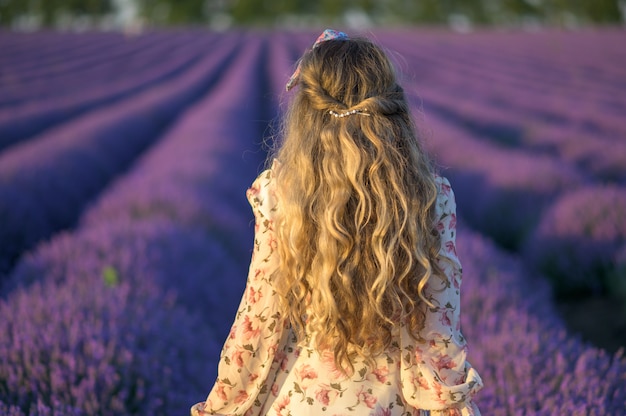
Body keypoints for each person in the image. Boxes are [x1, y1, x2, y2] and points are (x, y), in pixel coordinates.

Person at [191, 29, 483, 416]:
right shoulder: (430, 199)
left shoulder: (280, 196)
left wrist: (222, 406)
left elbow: (260, 323)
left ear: (306, 116)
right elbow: (435, 331)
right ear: (394, 113)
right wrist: (451, 407)